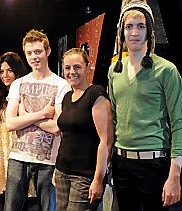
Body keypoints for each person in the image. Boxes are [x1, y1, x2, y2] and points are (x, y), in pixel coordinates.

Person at [108, 1, 182, 211]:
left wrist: (175, 174)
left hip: (154, 164)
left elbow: (179, 122)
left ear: (149, 30)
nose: (134, 33)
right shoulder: (115, 70)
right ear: (121, 31)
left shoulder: (166, 70)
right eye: (129, 26)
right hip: (121, 163)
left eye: (140, 26)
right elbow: (113, 118)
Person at [4, 29, 72, 211]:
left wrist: (24, 116)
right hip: (18, 157)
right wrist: (42, 113)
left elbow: (57, 127)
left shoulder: (61, 85)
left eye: (38, 51)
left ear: (48, 51)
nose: (34, 57)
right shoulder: (18, 84)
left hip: (48, 161)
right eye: (29, 53)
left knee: (48, 208)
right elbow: (10, 123)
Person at [54, 48, 114, 211]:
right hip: (61, 172)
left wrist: (98, 179)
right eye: (67, 67)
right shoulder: (67, 97)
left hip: (84, 176)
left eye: (77, 67)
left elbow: (106, 141)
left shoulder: (96, 94)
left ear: (88, 67)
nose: (72, 72)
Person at [0, 52, 28, 199]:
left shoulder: (26, 95)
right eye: (2, 71)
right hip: (1, 155)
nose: (5, 75)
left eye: (10, 70)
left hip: (21, 153)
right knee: (5, 202)